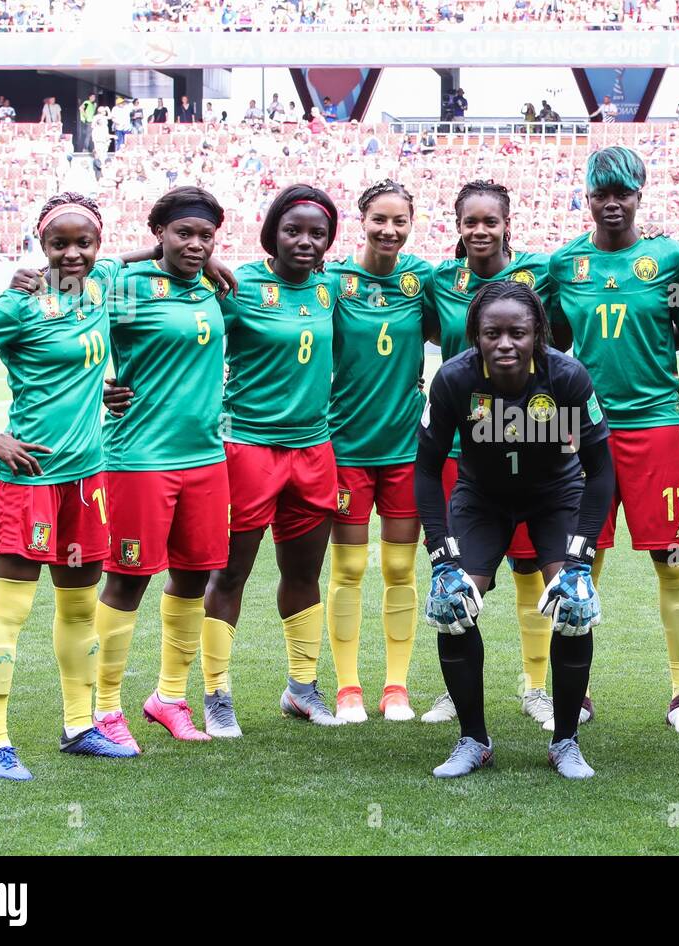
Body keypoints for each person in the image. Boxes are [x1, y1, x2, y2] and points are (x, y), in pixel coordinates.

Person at [0, 192, 138, 780]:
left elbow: (155, 249)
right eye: (58, 244)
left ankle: (80, 727)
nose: (72, 255)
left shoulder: (104, 289)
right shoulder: (19, 303)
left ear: (99, 245)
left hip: (87, 478)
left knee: (78, 608)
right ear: (40, 246)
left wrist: (102, 391)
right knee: (11, 611)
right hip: (28, 480)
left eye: (84, 243)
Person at [416, 281, 615, 780]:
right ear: (475, 337)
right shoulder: (454, 380)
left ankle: (565, 741)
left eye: (517, 333)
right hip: (482, 498)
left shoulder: (566, 376)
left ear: (537, 335)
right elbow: (425, 468)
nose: (505, 343)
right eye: (492, 333)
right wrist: (441, 553)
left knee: (572, 605)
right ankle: (473, 739)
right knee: (451, 606)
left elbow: (601, 469)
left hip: (555, 495)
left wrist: (581, 558)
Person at [549, 147, 679, 735]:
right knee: (583, 562)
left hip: (657, 429)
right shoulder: (564, 264)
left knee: (672, 561)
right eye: (601, 194)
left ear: (641, 194)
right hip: (583, 434)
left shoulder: (668, 260)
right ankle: (578, 689)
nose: (612, 204)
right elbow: (549, 341)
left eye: (623, 193)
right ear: (586, 198)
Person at [195, 185, 345, 734]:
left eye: (317, 233)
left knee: (305, 573)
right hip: (246, 447)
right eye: (292, 230)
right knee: (230, 573)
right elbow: (178, 323)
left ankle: (301, 688)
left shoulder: (333, 287)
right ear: (271, 232)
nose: (304, 242)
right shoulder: (237, 285)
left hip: (314, 449)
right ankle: (216, 693)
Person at [87, 187, 230, 748]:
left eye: (206, 236)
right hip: (140, 457)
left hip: (205, 457)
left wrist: (207, 263)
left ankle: (168, 697)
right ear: (159, 235)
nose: (196, 245)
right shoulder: (128, 287)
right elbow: (62, 319)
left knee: (195, 575)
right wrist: (97, 385)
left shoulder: (215, 287)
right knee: (128, 578)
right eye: (183, 234)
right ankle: (104, 708)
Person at [419, 181, 566, 730]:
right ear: (457, 227)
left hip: (526, 439)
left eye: (490, 222)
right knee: (461, 574)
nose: (480, 231)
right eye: (470, 222)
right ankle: (459, 697)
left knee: (531, 567)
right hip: (461, 445)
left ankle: (535, 688)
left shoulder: (541, 272)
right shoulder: (437, 281)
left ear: (507, 223)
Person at [324, 180, 434, 723]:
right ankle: (347, 687)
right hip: (345, 450)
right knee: (347, 570)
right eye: (379, 220)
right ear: (360, 220)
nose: (389, 230)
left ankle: (396, 686)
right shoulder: (332, 281)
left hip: (405, 450)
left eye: (400, 221)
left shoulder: (423, 280)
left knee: (398, 569)